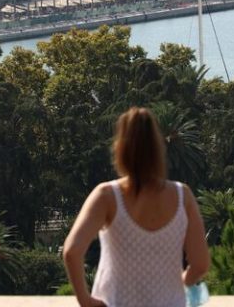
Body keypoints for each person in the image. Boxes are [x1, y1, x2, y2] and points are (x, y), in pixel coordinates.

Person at [63, 107, 210, 307]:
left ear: (120, 149)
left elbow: (72, 252)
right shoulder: (183, 196)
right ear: (158, 148)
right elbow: (201, 264)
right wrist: (179, 284)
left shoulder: (106, 196)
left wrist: (85, 300)